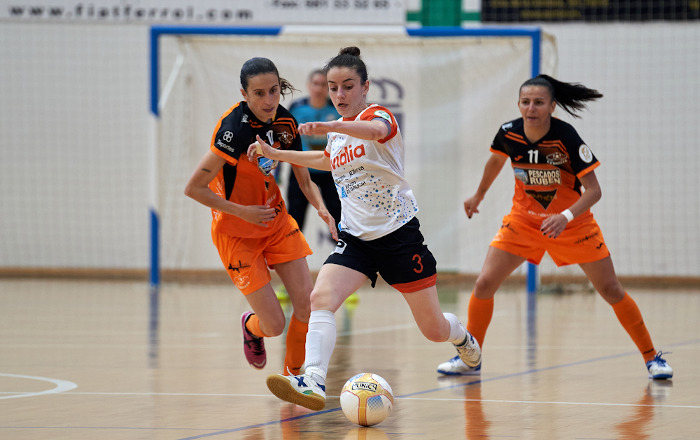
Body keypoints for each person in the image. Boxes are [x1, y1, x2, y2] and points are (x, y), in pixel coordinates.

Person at [247, 46, 481, 411]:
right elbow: (324, 159)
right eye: (333, 87)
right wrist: (278, 155)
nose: (339, 95)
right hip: (356, 240)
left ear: (365, 86)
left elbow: (374, 131)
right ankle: (312, 381)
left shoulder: (378, 116)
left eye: (348, 86)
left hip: (399, 238)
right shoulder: (339, 136)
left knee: (433, 329)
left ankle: (464, 339)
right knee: (320, 298)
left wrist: (329, 125)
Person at [435, 74, 673, 380]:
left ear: (552, 106)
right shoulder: (509, 133)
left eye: (538, 102)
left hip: (572, 226)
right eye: (525, 102)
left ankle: (652, 359)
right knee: (483, 285)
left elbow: (594, 191)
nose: (531, 108)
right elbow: (495, 162)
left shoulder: (566, 137)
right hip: (523, 222)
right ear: (518, 104)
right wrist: (478, 195)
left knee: (611, 289)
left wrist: (565, 217)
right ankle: (470, 360)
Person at [184, 57, 337, 377]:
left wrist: (322, 209)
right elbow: (194, 189)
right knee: (275, 324)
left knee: (308, 306)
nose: (269, 101)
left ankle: (295, 379)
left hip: (277, 224)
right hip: (237, 233)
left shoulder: (285, 122)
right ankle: (251, 327)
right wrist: (243, 212)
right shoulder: (232, 132)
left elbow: (303, 177)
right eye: (259, 94)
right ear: (245, 94)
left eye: (274, 91)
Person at [286, 69, 342, 235]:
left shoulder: (337, 110)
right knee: (295, 218)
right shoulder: (296, 108)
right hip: (301, 169)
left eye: (324, 85)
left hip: (328, 171)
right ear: (309, 86)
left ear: (329, 88)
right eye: (316, 84)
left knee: (338, 217)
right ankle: (292, 257)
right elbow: (286, 140)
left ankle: (345, 257)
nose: (319, 88)